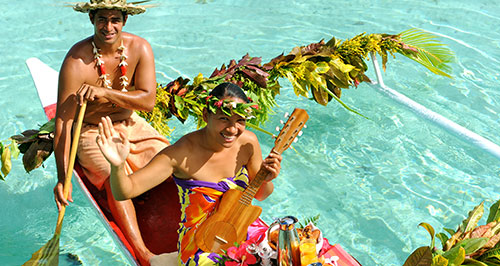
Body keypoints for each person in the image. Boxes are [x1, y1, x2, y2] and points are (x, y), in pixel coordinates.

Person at [96, 82, 283, 265]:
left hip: (244, 228)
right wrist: (118, 165)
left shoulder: (248, 143)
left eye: (240, 121)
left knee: (288, 252)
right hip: (201, 244)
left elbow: (261, 195)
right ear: (206, 115)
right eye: (224, 118)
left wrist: (266, 179)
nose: (232, 129)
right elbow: (126, 191)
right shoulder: (181, 154)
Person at [53, 1, 168, 265]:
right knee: (112, 173)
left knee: (170, 160)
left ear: (124, 20)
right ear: (91, 18)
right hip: (90, 130)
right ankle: (143, 253)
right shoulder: (76, 61)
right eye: (102, 19)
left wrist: (105, 92)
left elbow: (148, 101)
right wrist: (63, 178)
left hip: (130, 123)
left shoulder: (140, 48)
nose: (108, 27)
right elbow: (64, 123)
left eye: (115, 19)